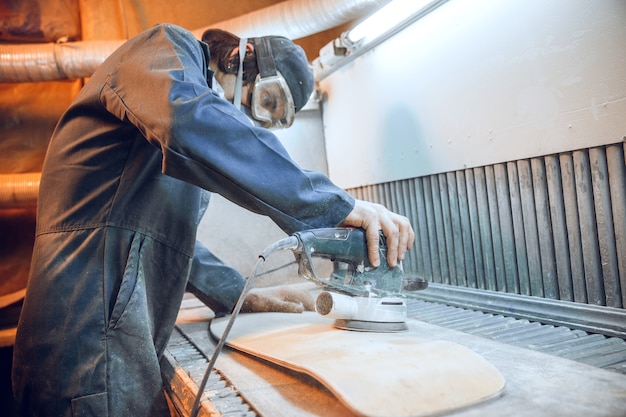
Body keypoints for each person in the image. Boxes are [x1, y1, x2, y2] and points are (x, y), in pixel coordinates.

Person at [12, 23, 414, 417]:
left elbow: (162, 239)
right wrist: (334, 206)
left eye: (268, 117)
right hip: (84, 336)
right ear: (242, 57)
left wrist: (240, 295)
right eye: (266, 101)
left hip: (104, 335)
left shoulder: (174, 125)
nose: (250, 118)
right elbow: (190, 121)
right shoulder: (166, 49)